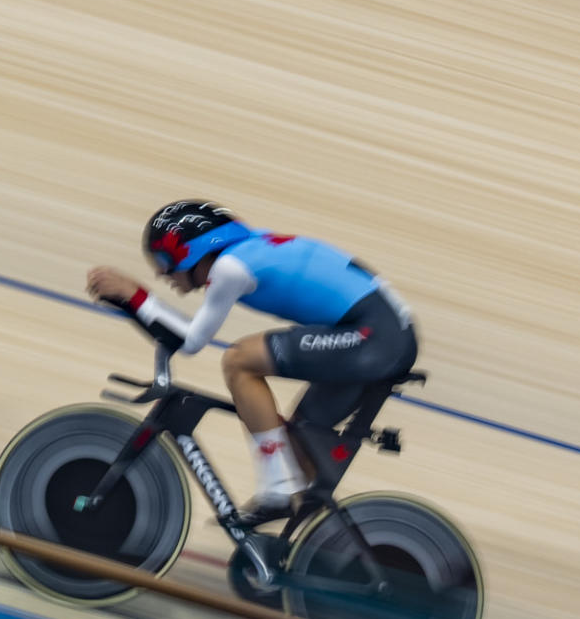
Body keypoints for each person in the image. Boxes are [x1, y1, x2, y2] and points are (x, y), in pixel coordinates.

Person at [82, 201, 415, 517]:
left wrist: (136, 295)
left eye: (165, 264)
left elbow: (192, 341)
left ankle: (278, 488)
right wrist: (133, 305)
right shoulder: (247, 250)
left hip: (374, 337)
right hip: (381, 333)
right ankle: (307, 535)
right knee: (299, 443)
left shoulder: (230, 266)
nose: (163, 276)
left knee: (239, 360)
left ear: (190, 253)